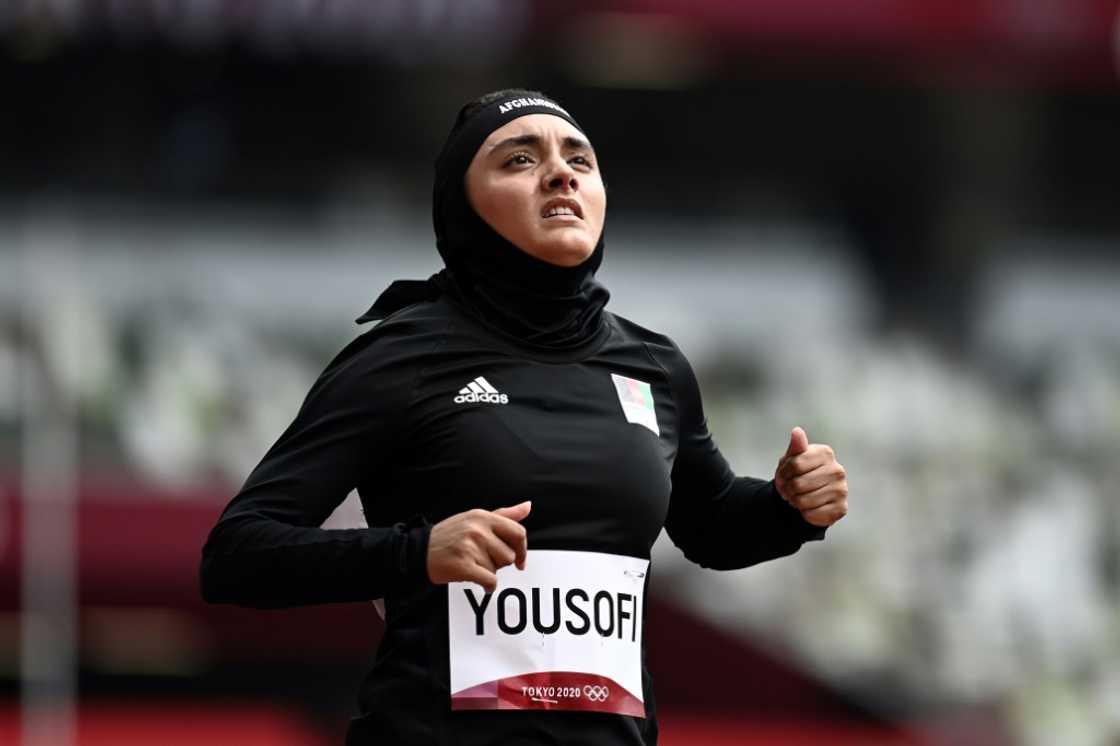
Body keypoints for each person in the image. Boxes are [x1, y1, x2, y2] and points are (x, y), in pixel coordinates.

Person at [199, 88, 849, 745]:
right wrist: (416, 553)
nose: (561, 172)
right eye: (518, 159)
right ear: (461, 203)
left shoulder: (655, 366)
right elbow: (238, 555)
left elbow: (709, 528)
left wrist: (788, 507)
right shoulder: (401, 356)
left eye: (580, 160)